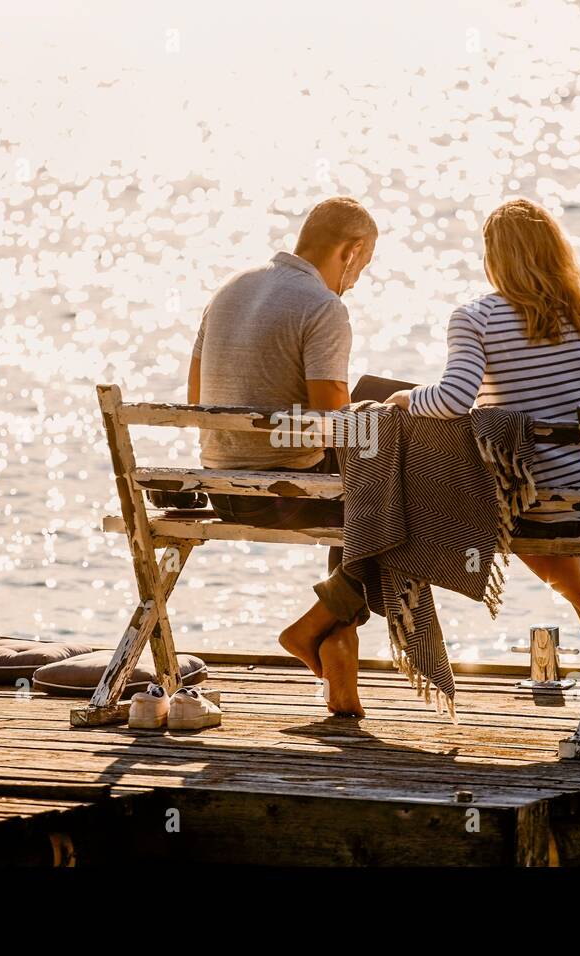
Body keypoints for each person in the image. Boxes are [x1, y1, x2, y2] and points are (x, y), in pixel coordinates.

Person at [386, 198, 580, 688]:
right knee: (578, 527)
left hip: (543, 503)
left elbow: (454, 398)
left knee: (510, 513)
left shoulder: (475, 318)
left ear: (494, 258)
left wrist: (404, 398)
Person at [188, 196, 377, 716]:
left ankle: (339, 661)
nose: (358, 280)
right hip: (285, 493)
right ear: (352, 250)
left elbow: (194, 398)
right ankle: (315, 627)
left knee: (374, 497)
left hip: (222, 487)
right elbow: (333, 423)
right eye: (363, 266)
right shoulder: (323, 305)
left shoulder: (230, 289)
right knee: (407, 502)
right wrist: (389, 424)